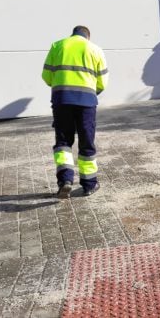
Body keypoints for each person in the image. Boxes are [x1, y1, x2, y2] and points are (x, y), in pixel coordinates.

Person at [42, 26, 108, 199]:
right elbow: (102, 82)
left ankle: (65, 181)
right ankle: (89, 184)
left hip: (62, 100)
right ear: (88, 36)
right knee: (86, 141)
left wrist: (61, 87)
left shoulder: (57, 46)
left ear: (72, 33)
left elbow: (46, 76)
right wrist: (90, 91)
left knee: (63, 141)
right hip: (86, 103)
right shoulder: (95, 49)